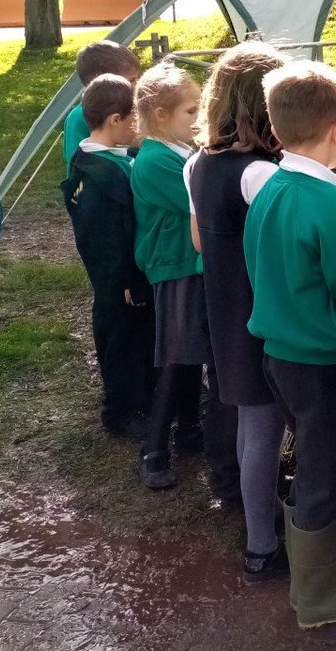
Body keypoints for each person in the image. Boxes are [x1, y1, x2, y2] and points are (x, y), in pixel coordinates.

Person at [244, 61, 336, 628]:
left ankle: (318, 574)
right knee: (323, 472)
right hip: (319, 361)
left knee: (311, 462)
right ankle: (318, 598)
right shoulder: (333, 207)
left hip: (277, 354)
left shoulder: (270, 189)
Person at [186, 42, 289, 582]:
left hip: (224, 306)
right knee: (263, 430)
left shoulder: (198, 162)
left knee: (252, 423)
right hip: (259, 314)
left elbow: (201, 241)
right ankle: (261, 546)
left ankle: (261, 527)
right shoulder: (258, 175)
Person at [63, 74, 155, 440]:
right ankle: (120, 412)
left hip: (129, 275)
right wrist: (123, 281)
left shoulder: (114, 159)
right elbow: (101, 241)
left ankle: (142, 399)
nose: (138, 127)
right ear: (115, 120)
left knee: (138, 338)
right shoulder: (96, 176)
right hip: (118, 282)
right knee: (120, 342)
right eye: (135, 119)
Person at [131, 64, 208, 490]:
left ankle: (189, 428)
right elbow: (199, 203)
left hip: (187, 262)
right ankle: (155, 449)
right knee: (177, 355)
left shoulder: (176, 151)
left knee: (190, 351)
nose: (197, 118)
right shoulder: (156, 160)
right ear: (161, 114)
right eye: (190, 111)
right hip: (174, 265)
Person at [63, 40, 141, 177]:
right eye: (131, 81)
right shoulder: (79, 116)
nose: (137, 85)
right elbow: (76, 164)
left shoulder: (126, 107)